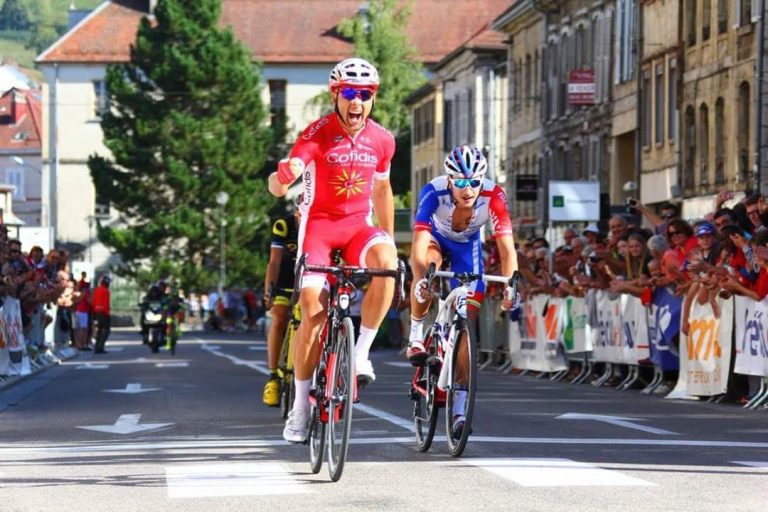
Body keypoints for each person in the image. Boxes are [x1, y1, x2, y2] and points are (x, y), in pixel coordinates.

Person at [267, 57, 398, 443]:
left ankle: (360, 353)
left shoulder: (383, 139)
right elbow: (280, 182)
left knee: (388, 265)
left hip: (358, 227)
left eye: (365, 94)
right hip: (319, 229)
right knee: (312, 312)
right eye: (349, 94)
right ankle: (300, 409)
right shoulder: (316, 133)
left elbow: (382, 190)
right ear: (336, 95)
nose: (357, 102)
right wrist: (281, 177)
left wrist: (387, 235)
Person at [405, 144, 519, 439]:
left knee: (467, 320)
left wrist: (511, 284)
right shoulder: (433, 192)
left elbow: (507, 248)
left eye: (474, 182)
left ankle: (459, 410)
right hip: (435, 241)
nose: (468, 189)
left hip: (468, 248)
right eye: (461, 182)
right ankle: (417, 333)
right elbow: (418, 243)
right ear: (450, 180)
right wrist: (421, 279)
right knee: (429, 268)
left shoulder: (494, 196)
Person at [262, 200, 301, 407]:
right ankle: (273, 377)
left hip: (306, 282)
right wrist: (269, 291)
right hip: (285, 280)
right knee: (278, 318)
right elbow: (274, 261)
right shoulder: (283, 225)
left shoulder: (318, 223)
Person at [91, 274, 111, 353]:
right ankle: (101, 347)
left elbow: (94, 302)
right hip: (103, 313)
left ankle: (96, 346)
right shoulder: (106, 291)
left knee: (99, 330)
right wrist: (107, 313)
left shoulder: (97, 290)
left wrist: (94, 313)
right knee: (105, 330)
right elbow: (106, 303)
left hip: (96, 312)